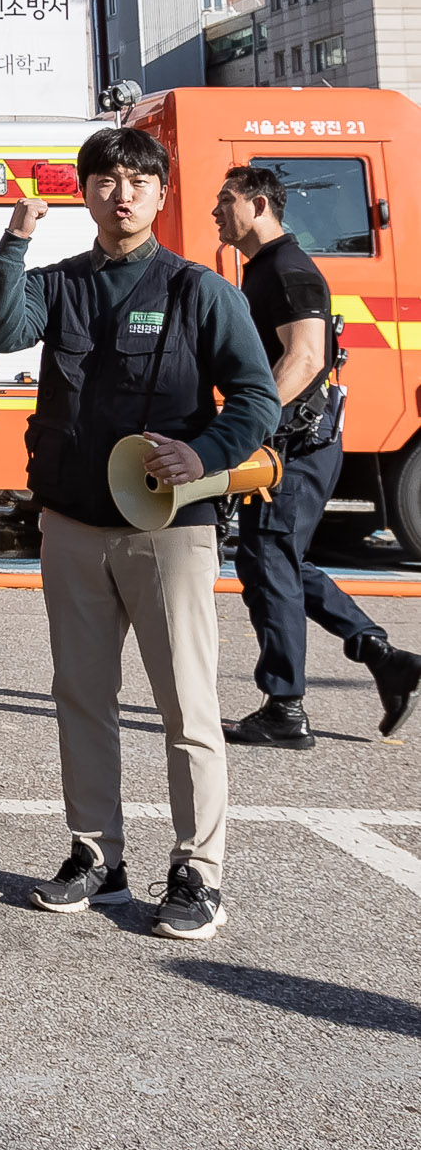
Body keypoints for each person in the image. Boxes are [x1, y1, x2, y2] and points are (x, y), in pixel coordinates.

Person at [0, 126, 279, 942]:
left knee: (187, 702)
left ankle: (198, 870)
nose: (122, 194)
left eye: (138, 181)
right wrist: (16, 235)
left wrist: (208, 451)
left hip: (169, 527)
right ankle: (95, 856)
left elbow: (257, 398)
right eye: (106, 180)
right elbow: (1, 329)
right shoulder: (61, 281)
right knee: (80, 697)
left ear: (159, 193)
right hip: (74, 521)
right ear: (86, 193)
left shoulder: (198, 290)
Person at [214, 166, 420, 743]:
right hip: (293, 443)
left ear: (258, 205)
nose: (215, 212)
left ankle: (285, 709)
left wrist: (248, 424)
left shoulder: (288, 270)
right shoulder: (265, 269)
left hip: (296, 446)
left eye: (224, 201)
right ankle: (384, 657)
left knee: (268, 559)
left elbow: (304, 359)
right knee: (274, 560)